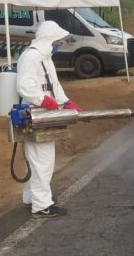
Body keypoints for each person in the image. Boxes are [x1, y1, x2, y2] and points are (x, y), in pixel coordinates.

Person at [16, 20, 82, 218]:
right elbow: (24, 86)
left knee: (36, 161)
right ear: (49, 40)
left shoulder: (45, 57)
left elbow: (53, 84)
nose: (59, 44)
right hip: (35, 114)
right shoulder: (31, 57)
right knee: (42, 161)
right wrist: (44, 100)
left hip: (44, 113)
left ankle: (31, 198)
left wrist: (66, 101)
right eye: (58, 41)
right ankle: (42, 205)